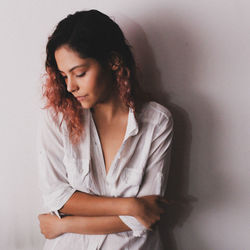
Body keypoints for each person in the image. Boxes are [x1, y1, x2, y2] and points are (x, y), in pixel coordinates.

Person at [37, 9, 174, 250]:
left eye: (79, 73)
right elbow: (57, 198)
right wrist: (129, 205)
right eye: (63, 75)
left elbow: (146, 218)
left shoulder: (157, 122)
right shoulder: (58, 118)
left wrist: (63, 225)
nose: (70, 86)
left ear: (113, 61)